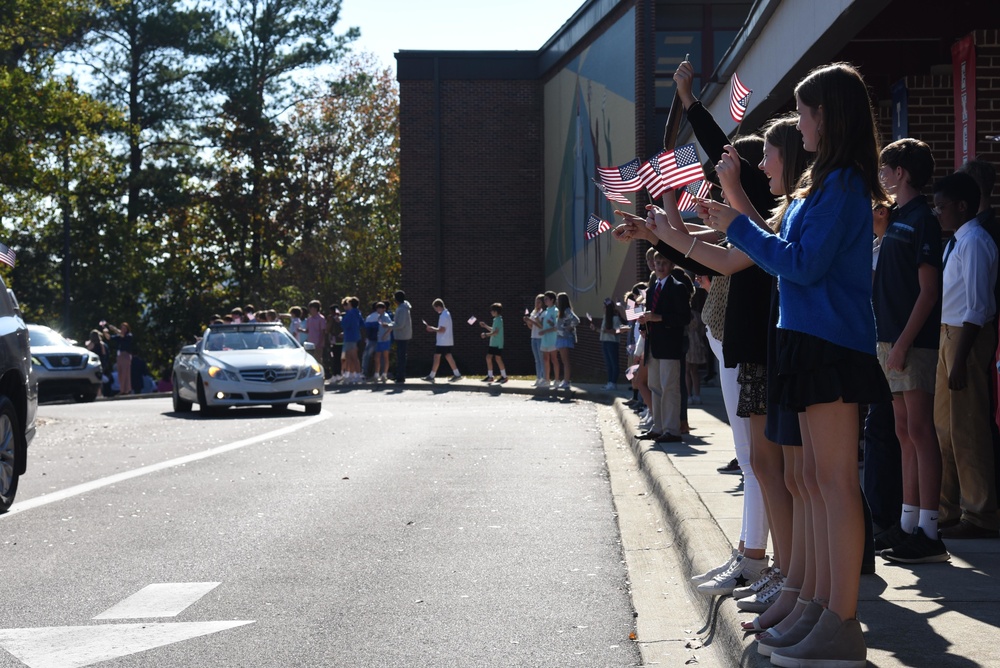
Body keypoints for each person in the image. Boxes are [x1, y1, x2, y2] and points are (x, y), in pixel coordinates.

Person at [698, 62, 892, 667]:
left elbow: (801, 264)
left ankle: (840, 618)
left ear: (829, 115)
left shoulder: (843, 184)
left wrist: (737, 225)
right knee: (810, 480)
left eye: (807, 110)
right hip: (807, 340)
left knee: (831, 482)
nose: (799, 121)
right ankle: (813, 601)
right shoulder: (824, 182)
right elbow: (789, 254)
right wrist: (737, 221)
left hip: (832, 344)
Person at [870, 138, 948, 564]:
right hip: (889, 339)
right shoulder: (895, 217)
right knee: (902, 431)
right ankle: (907, 523)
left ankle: (929, 532)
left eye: (886, 169)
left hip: (911, 343)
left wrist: (901, 343)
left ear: (902, 172)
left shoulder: (923, 220)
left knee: (919, 430)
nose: (882, 175)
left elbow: (929, 289)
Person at [932, 171, 1000, 539]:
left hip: (965, 338)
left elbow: (978, 306)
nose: (937, 212)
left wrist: (960, 359)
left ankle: (981, 513)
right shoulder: (955, 242)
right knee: (944, 428)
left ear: (961, 206)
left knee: (968, 427)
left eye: (942, 206)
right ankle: (948, 508)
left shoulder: (974, 242)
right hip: (947, 334)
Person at [636, 252, 691, 443]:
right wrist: (644, 325)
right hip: (654, 346)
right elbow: (649, 316)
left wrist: (659, 318)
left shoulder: (678, 288)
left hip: (670, 346)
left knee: (670, 388)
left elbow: (685, 318)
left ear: (671, 266)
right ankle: (658, 427)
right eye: (657, 262)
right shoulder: (652, 290)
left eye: (664, 263)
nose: (659, 266)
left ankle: (672, 429)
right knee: (655, 386)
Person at [422, 298, 462, 382]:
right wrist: (433, 329)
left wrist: (432, 328)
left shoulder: (443, 315)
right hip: (446, 340)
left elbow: (442, 329)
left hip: (443, 341)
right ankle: (457, 374)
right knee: (448, 356)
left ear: (438, 306)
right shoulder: (447, 313)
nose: (435, 310)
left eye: (435, 308)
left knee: (437, 356)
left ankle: (432, 376)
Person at [593, 298, 627, 390]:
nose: (603, 307)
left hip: (612, 342)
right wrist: (596, 329)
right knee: (608, 363)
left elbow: (618, 330)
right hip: (604, 341)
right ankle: (609, 381)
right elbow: (604, 331)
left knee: (614, 363)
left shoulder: (615, 317)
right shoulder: (605, 316)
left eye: (604, 306)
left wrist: (609, 331)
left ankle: (613, 382)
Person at [554, 292, 580, 388]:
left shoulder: (567, 310)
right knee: (563, 360)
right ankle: (565, 380)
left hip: (565, 338)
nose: (556, 301)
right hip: (560, 337)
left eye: (558, 299)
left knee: (565, 360)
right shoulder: (561, 311)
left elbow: (576, 320)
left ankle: (566, 381)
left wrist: (569, 327)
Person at [478, 303, 507, 383]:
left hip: (497, 343)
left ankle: (504, 376)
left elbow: (495, 332)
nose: (491, 312)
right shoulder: (496, 319)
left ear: (496, 311)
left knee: (497, 358)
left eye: (492, 311)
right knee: (489, 357)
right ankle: (490, 376)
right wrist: (485, 326)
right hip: (493, 343)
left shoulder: (499, 320)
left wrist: (485, 334)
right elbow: (493, 330)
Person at [104, 322, 135, 395]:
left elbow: (122, 335)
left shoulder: (129, 335)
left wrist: (114, 329)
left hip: (126, 355)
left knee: (125, 373)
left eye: (124, 328)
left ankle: (126, 390)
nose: (123, 329)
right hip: (119, 355)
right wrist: (105, 332)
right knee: (120, 373)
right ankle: (123, 389)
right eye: (122, 328)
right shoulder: (119, 336)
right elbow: (109, 338)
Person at [538, 291, 560, 386]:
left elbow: (556, 327)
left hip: (553, 339)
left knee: (554, 359)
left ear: (552, 300)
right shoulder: (546, 311)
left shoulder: (555, 311)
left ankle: (557, 379)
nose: (545, 301)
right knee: (545, 359)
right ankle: (547, 379)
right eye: (544, 299)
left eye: (547, 299)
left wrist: (545, 331)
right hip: (545, 339)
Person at [341, 297, 364, 383]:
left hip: (350, 337)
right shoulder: (357, 313)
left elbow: (344, 324)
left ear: (350, 304)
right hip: (354, 336)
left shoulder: (350, 314)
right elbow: (362, 323)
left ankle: (357, 375)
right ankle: (351, 374)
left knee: (353, 357)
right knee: (349, 357)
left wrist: (340, 319)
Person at [525, 294, 546, 386]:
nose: (537, 304)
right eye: (536, 302)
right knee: (537, 359)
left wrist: (533, 321)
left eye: (539, 302)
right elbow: (531, 327)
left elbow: (541, 326)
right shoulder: (534, 312)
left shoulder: (543, 313)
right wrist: (528, 322)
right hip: (533, 337)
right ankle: (538, 377)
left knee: (542, 359)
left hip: (541, 338)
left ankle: (543, 377)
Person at [393, 291, 413, 383]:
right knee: (401, 356)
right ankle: (399, 374)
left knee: (401, 356)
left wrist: (389, 325)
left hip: (402, 335)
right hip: (403, 335)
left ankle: (400, 376)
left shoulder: (402, 309)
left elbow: (400, 324)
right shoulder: (404, 307)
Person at [86, 329, 112, 397]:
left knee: (95, 379)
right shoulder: (102, 344)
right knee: (100, 379)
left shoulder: (91, 344)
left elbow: (88, 351)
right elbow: (104, 355)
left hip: (93, 364)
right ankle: (100, 394)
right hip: (100, 364)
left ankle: (98, 394)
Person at [373, 302, 393, 383]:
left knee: (385, 357)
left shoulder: (386, 316)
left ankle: (384, 374)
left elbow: (391, 326)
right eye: (377, 308)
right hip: (379, 339)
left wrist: (386, 334)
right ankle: (377, 373)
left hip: (385, 340)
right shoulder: (380, 317)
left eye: (380, 308)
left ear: (384, 309)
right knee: (377, 357)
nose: (378, 310)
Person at [304, 300, 326, 365]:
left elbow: (323, 332)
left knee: (318, 359)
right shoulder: (309, 319)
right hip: (310, 344)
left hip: (318, 343)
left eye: (311, 308)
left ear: (315, 308)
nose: (310, 310)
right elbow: (307, 331)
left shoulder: (321, 318)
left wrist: (320, 342)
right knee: (310, 360)